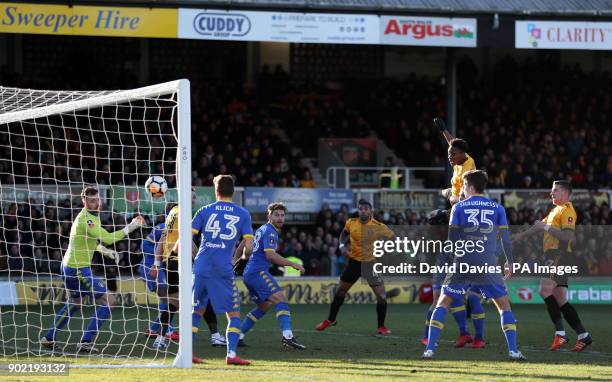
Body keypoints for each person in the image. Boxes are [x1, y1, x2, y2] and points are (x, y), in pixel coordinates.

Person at [423, 170, 525, 360]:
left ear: (469, 187)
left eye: (463, 186)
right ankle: (513, 351)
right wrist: (510, 262)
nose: (461, 189)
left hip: (463, 261)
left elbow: (452, 239)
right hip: (487, 262)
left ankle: (429, 349)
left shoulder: (458, 208)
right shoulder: (498, 208)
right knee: (504, 306)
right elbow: (505, 239)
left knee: (443, 303)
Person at [41, 186, 144, 353]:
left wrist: (104, 251)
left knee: (76, 302)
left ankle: (49, 338)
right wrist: (131, 227)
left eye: (97, 199)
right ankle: (86, 341)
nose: (96, 203)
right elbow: (108, 238)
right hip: (78, 269)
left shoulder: (92, 217)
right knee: (110, 302)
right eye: (92, 200)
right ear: (84, 202)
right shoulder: (86, 219)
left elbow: (88, 241)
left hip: (69, 265)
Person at [513, 180, 592, 352]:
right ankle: (583, 335)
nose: (551, 193)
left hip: (559, 254)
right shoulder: (555, 210)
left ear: (564, 192)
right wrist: (521, 236)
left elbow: (567, 237)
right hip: (553, 255)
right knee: (560, 298)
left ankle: (561, 334)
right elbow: (538, 227)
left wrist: (546, 227)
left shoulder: (567, 210)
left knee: (544, 290)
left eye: (555, 190)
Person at [190, 175, 254, 365]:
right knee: (233, 314)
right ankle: (231, 354)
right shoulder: (243, 214)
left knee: (196, 311)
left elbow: (187, 239)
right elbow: (249, 247)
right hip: (222, 269)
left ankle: (189, 353)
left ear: (215, 191)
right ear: (233, 192)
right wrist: (242, 258)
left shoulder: (204, 210)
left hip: (201, 266)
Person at [140, 216, 225, 347]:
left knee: (173, 301)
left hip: (171, 265)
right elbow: (148, 245)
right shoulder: (172, 225)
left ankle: (160, 337)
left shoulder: (172, 224)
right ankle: (215, 336)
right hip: (175, 265)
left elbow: (170, 244)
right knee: (200, 298)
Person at [315, 199, 395, 334]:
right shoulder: (351, 223)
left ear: (370, 211)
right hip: (354, 263)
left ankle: (381, 326)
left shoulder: (378, 226)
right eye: (360, 209)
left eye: (366, 209)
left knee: (381, 296)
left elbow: (394, 239)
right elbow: (344, 234)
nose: (363, 211)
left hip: (370, 264)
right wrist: (341, 246)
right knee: (341, 291)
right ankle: (330, 320)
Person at [237, 202, 306, 349]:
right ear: (269, 216)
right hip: (258, 272)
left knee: (263, 306)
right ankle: (288, 337)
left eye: (282, 215)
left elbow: (245, 242)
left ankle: (238, 336)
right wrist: (292, 264)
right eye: (276, 215)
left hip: (250, 273)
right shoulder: (270, 231)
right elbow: (270, 256)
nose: (280, 218)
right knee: (280, 299)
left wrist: (236, 258)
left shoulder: (262, 229)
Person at [421, 209, 480, 348]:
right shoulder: (444, 223)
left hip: (452, 264)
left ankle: (462, 333)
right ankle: (462, 333)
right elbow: (433, 216)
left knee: (451, 299)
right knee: (443, 300)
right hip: (443, 263)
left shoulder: (454, 225)